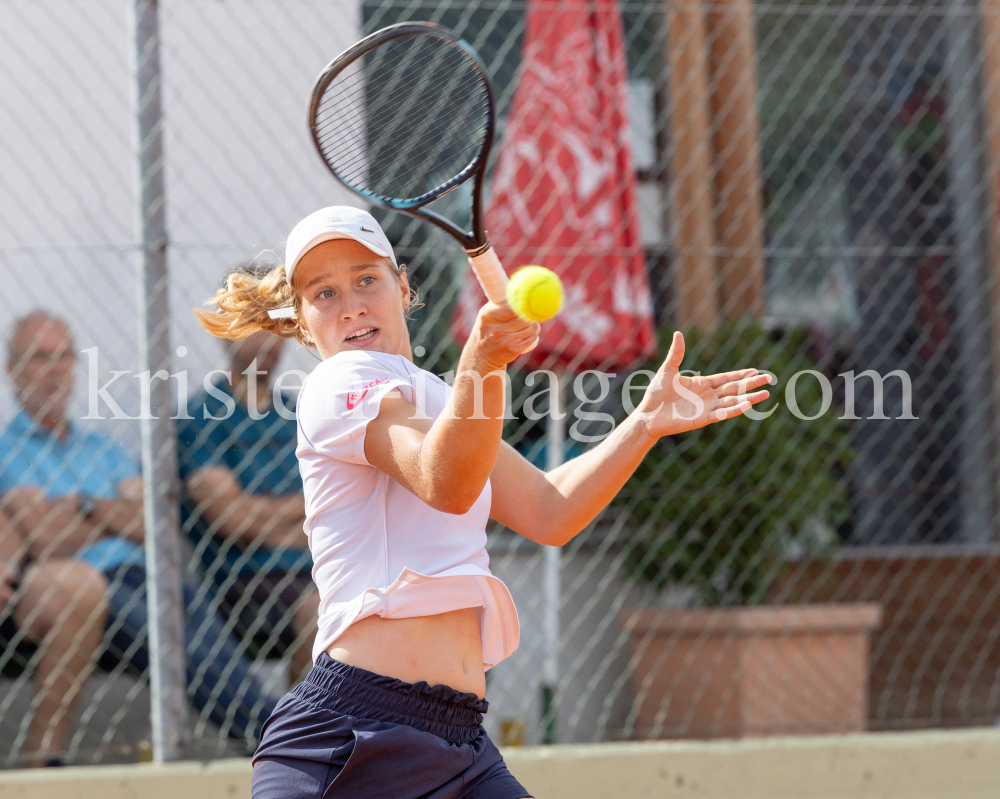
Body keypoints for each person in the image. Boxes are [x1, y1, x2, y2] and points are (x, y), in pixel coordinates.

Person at [195, 206, 770, 799]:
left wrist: (643, 423)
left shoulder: (439, 398)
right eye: (324, 293)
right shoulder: (334, 385)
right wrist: (484, 363)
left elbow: (550, 510)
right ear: (302, 322)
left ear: (403, 286)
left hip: (458, 743)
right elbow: (444, 482)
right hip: (350, 739)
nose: (352, 304)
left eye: (367, 278)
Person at [0, 311, 275, 760]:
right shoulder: (7, 450)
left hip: (146, 573)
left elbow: (154, 523)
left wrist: (81, 508)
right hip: (91, 589)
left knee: (213, 647)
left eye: (64, 357)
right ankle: (275, 738)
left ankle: (278, 732)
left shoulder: (103, 448)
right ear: (13, 370)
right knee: (180, 646)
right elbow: (43, 537)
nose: (54, 370)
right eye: (39, 358)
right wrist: (112, 512)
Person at [178, 307, 318, 684]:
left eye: (274, 328)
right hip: (240, 580)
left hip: (315, 566)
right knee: (324, 606)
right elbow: (231, 521)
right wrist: (306, 511)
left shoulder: (301, 413)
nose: (266, 340)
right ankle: (297, 736)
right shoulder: (203, 416)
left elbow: (341, 508)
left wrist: (262, 516)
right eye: (253, 328)